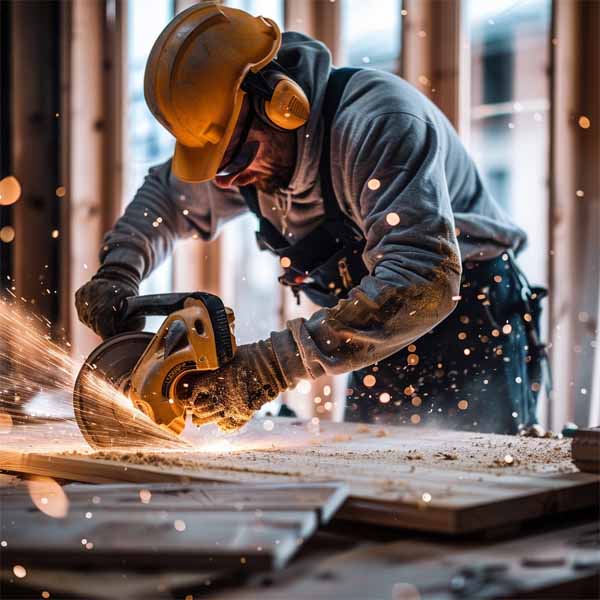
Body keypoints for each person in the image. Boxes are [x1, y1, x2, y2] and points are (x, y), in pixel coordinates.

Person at [76, 3, 547, 434]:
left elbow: (421, 279)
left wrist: (270, 366)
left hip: (469, 321)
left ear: (282, 105)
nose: (226, 184)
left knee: (481, 492)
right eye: (216, 168)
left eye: (236, 159)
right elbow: (164, 198)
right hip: (379, 330)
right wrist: (120, 269)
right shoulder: (245, 159)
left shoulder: (378, 122)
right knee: (382, 488)